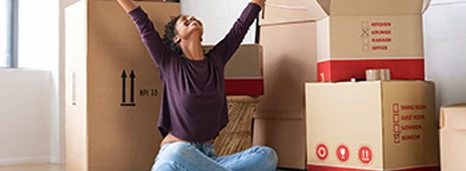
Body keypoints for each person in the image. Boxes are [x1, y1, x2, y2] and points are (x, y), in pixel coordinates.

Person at [116, 0, 278, 170]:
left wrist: (258, 2)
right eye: (184, 19)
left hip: (208, 160)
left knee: (266, 156)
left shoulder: (216, 61)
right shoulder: (169, 63)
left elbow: (241, 27)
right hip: (175, 159)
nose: (191, 18)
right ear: (176, 37)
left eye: (193, 18)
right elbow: (142, 22)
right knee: (177, 151)